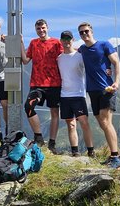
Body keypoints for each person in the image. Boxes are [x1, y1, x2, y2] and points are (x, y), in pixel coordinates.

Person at [78, 21, 120, 169]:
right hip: (92, 91)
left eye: (86, 31)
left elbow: (116, 63)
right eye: (81, 32)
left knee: (105, 122)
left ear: (92, 31)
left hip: (107, 89)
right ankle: (113, 156)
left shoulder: (104, 45)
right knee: (102, 123)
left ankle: (116, 157)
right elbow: (68, 48)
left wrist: (116, 81)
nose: (84, 34)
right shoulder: (82, 49)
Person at [21, 19, 63, 154]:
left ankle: (52, 143)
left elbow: (65, 56)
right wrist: (21, 43)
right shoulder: (33, 43)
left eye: (43, 28)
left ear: (47, 28)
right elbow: (26, 61)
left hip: (54, 83)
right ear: (36, 30)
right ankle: (38, 137)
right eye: (38, 29)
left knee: (55, 113)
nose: (41, 31)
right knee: (28, 106)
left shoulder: (56, 42)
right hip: (37, 84)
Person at [57, 30, 94, 157]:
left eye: (69, 39)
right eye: (64, 39)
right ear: (61, 41)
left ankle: (90, 151)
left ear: (73, 40)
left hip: (78, 95)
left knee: (84, 123)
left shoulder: (80, 56)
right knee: (71, 125)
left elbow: (91, 67)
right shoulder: (59, 58)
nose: (66, 41)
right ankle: (75, 152)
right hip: (64, 96)